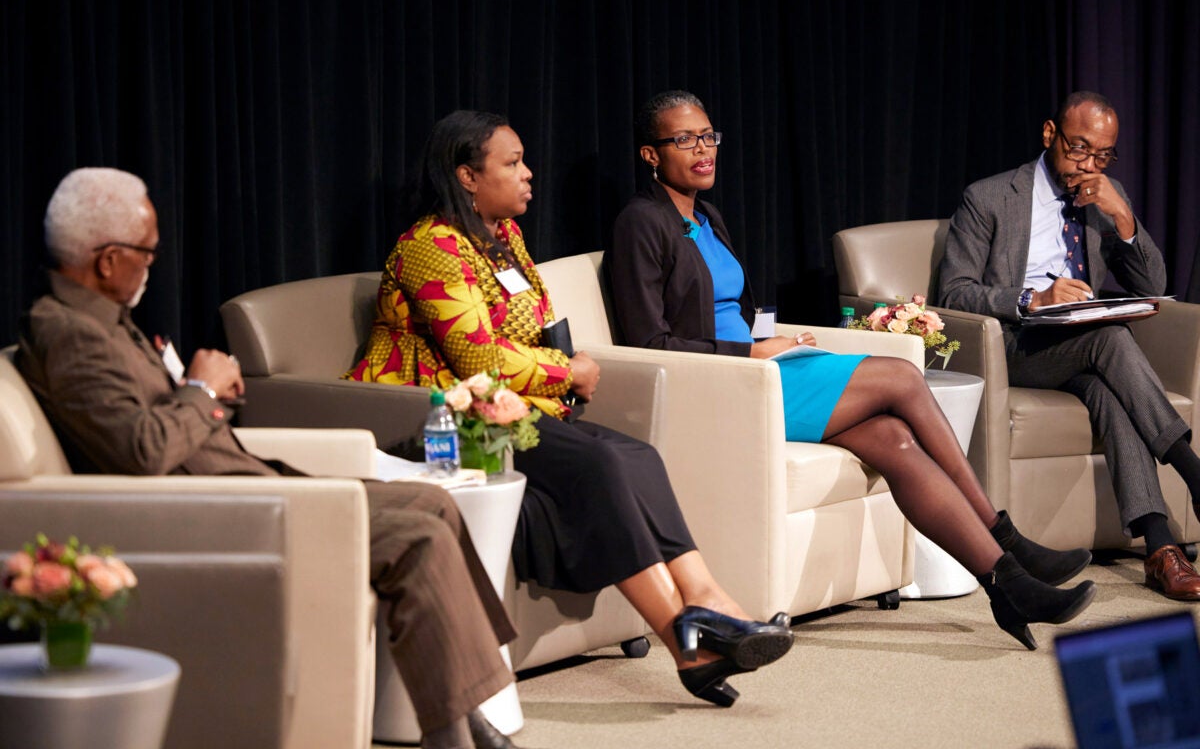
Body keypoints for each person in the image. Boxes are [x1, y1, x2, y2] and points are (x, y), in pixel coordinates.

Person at [17, 168, 521, 749]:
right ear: (106, 260)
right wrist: (200, 393)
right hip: (225, 512)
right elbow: (143, 451)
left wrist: (203, 396)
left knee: (432, 500)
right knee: (417, 536)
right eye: (147, 254)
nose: (152, 267)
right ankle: (450, 734)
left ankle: (472, 709)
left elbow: (153, 425)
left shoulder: (99, 322)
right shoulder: (67, 333)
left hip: (245, 483)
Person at [606, 90, 1097, 651]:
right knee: (902, 377)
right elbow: (651, 341)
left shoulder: (707, 216)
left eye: (709, 136)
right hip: (727, 390)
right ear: (650, 154)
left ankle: (1005, 585)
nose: (703, 149)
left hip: (763, 370)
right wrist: (751, 357)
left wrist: (773, 341)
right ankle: (1003, 534)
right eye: (684, 139)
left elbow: (727, 313)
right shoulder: (639, 223)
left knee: (894, 440)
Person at [345, 109, 793, 708]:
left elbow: (531, 326)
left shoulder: (502, 238)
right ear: (467, 176)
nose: (529, 174)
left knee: (636, 456)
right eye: (512, 163)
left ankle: (707, 603)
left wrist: (563, 364)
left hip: (509, 405)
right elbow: (479, 359)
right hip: (444, 417)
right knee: (602, 466)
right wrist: (567, 372)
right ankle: (689, 638)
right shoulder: (431, 247)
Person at [937, 90, 1200, 601]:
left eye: (1102, 155)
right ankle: (1192, 470)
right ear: (1049, 135)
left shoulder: (1105, 195)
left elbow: (1154, 281)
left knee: (1109, 393)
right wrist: (1034, 298)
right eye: (1079, 149)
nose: (1088, 163)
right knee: (1109, 337)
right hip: (1016, 344)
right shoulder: (989, 197)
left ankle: (1161, 546)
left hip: (1079, 349)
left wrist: (1122, 216)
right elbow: (955, 290)